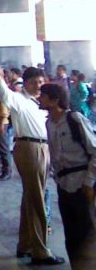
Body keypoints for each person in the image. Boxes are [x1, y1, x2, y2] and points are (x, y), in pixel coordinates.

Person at [0, 65, 65, 265]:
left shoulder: (38, 103)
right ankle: (40, 250)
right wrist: (0, 79)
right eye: (34, 82)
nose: (38, 86)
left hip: (41, 148)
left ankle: (25, 244)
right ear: (25, 83)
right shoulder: (19, 99)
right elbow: (5, 95)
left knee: (31, 197)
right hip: (29, 148)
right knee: (37, 199)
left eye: (41, 82)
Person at [39, 83, 96, 269]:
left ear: (55, 99)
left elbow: (94, 151)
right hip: (63, 185)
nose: (40, 98)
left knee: (87, 233)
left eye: (44, 95)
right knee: (71, 233)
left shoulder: (75, 119)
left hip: (81, 184)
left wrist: (89, 183)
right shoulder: (49, 123)